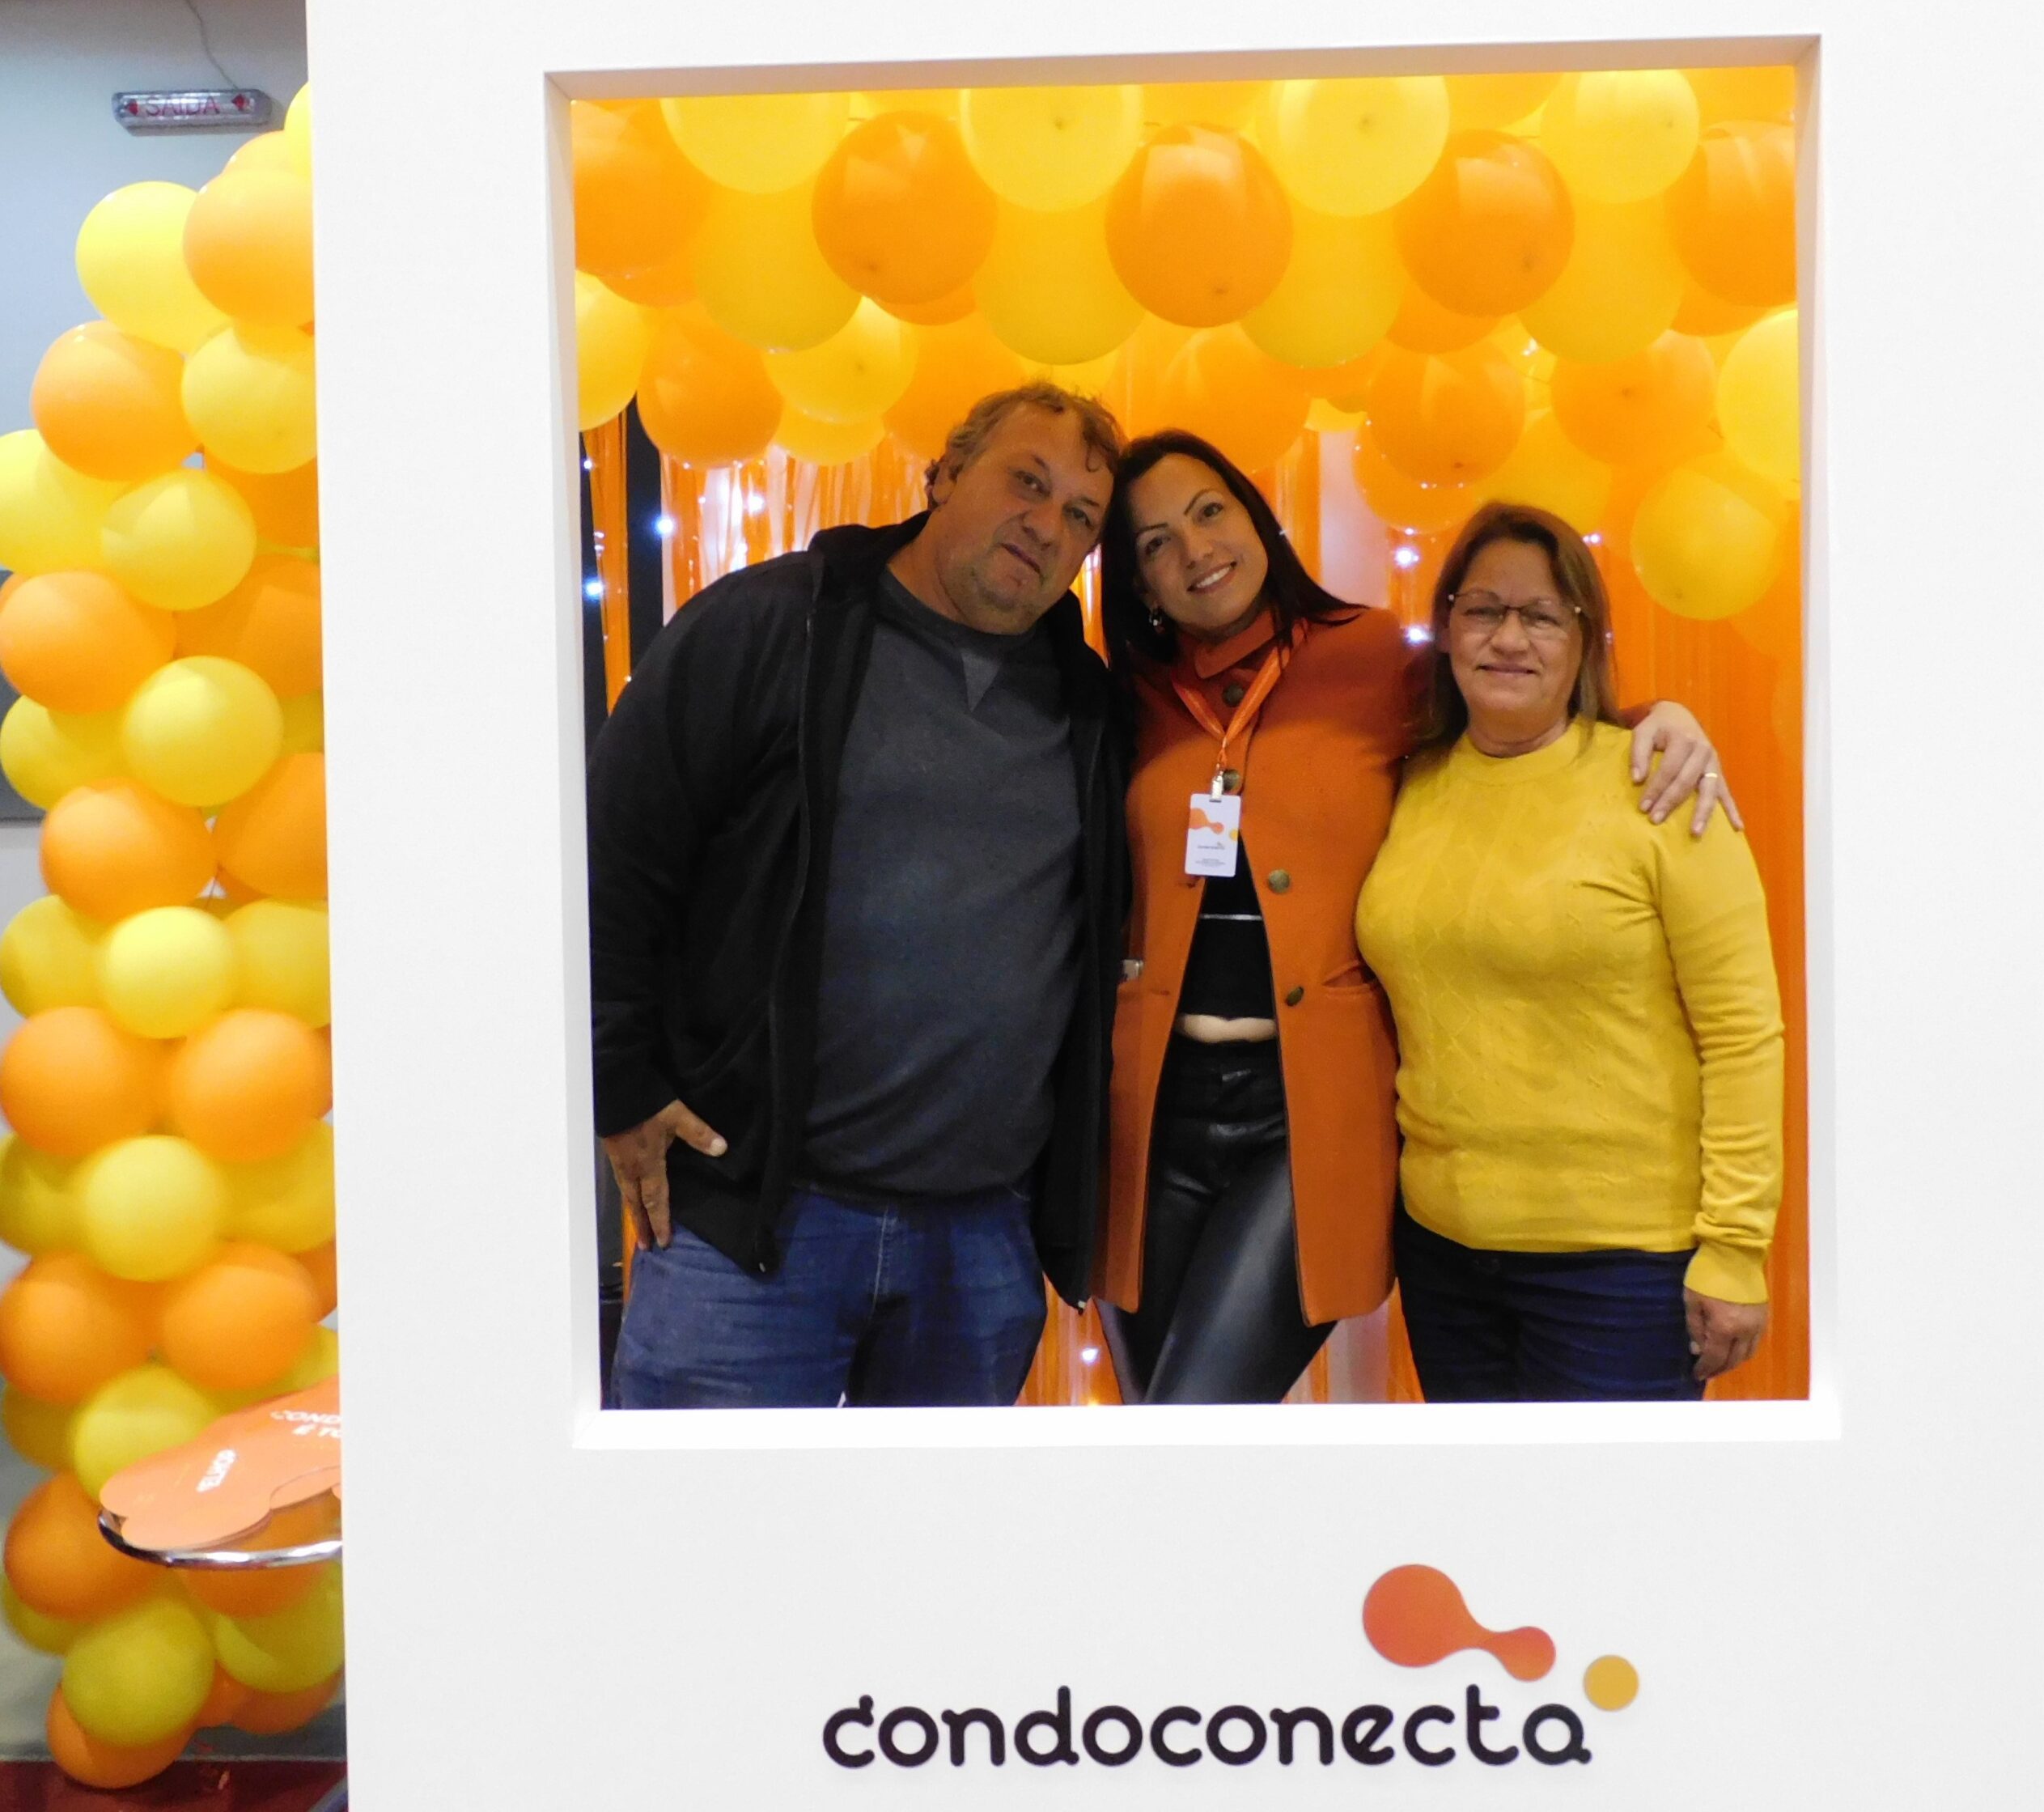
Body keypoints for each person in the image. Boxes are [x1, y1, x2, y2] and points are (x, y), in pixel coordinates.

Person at [1090, 435, 1737, 1404]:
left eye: (1209, 510)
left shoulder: (1369, 656)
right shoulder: (1123, 698)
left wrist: (1657, 715)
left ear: (1256, 516)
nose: (1194, 549)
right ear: (1138, 581)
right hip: (1147, 1119)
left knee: (1193, 1418)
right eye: (1153, 543)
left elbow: (1514, 708)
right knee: (1162, 1422)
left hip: (1300, 1113)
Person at [587, 383, 1129, 1408]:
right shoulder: (769, 625)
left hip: (980, 1244)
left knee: (936, 1524)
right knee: (712, 1516)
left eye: (1079, 516)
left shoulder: (1090, 708)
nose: (1045, 525)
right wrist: (617, 1083)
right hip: (753, 1226)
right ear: (945, 474)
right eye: (1026, 482)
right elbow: (615, 858)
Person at [1355, 503, 1785, 1402]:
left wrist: (1736, 1249)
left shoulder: (1662, 785)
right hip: (1443, 1256)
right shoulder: (1406, 785)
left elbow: (1743, 1035)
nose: (1509, 638)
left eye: (1542, 616)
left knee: (1608, 1502)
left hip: (1622, 1269)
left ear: (1584, 638)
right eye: (1483, 610)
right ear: (1446, 629)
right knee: (1478, 1498)